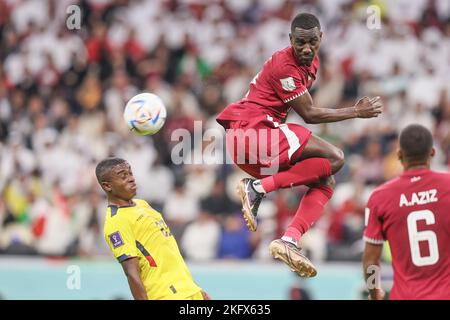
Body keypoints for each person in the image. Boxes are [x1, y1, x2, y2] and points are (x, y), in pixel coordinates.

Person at [216, 12, 382, 277]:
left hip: (255, 142)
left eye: (312, 42)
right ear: (290, 39)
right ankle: (257, 188)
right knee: (336, 157)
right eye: (300, 42)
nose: (306, 48)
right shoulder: (285, 66)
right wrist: (355, 112)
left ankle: (290, 239)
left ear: (321, 38)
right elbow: (309, 114)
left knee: (326, 179)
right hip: (253, 131)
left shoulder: (312, 63)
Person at [96, 157, 210, 300]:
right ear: (107, 186)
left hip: (189, 291)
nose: (131, 179)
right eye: (123, 176)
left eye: (130, 173)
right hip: (165, 295)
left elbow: (168, 253)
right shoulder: (116, 222)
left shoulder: (142, 204)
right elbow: (131, 272)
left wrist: (195, 288)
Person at [363, 124, 450, 300]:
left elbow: (371, 262)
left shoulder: (380, 198)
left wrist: (374, 292)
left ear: (399, 154)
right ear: (432, 153)